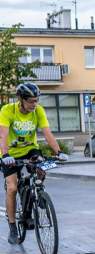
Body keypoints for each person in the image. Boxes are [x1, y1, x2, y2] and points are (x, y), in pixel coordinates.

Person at [0, 82, 68, 245]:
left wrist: (58, 152)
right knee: (12, 188)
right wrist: (5, 155)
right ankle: (13, 228)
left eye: (36, 100)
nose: (34, 104)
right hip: (10, 154)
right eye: (31, 101)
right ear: (21, 100)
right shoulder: (8, 110)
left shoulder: (38, 111)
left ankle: (38, 191)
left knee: (42, 166)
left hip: (30, 149)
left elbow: (47, 133)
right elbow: (3, 135)